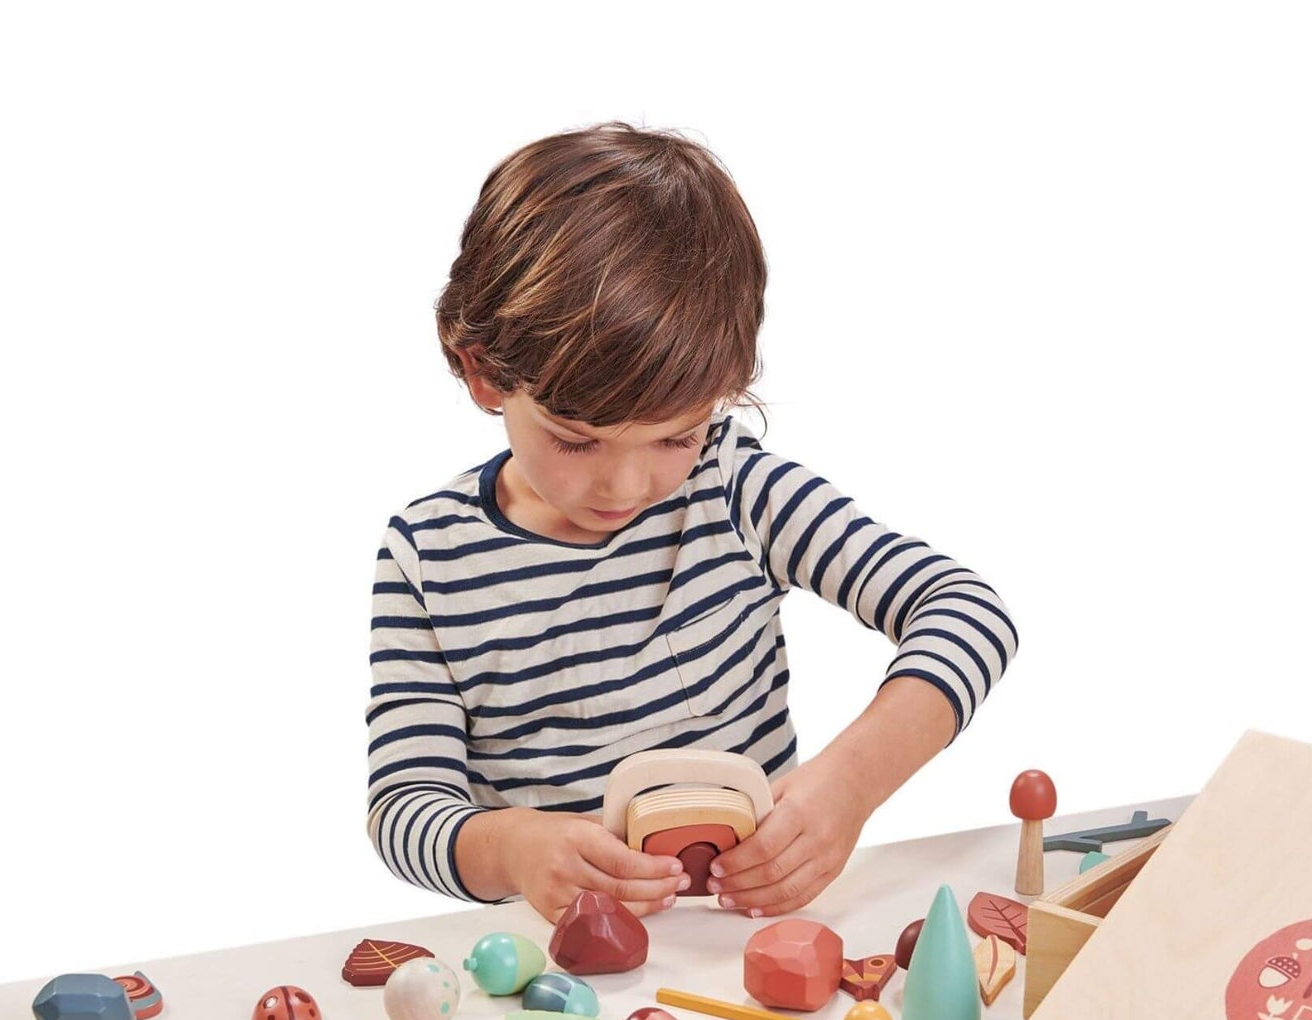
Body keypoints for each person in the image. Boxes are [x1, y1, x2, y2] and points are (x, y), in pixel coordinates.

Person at [368, 122, 1018, 923]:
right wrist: (512, 847)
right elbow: (403, 806)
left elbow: (963, 610)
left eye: (676, 435)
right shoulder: (429, 557)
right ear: (479, 370)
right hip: (561, 970)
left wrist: (852, 781)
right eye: (577, 439)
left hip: (752, 939)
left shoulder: (732, 486)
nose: (627, 482)